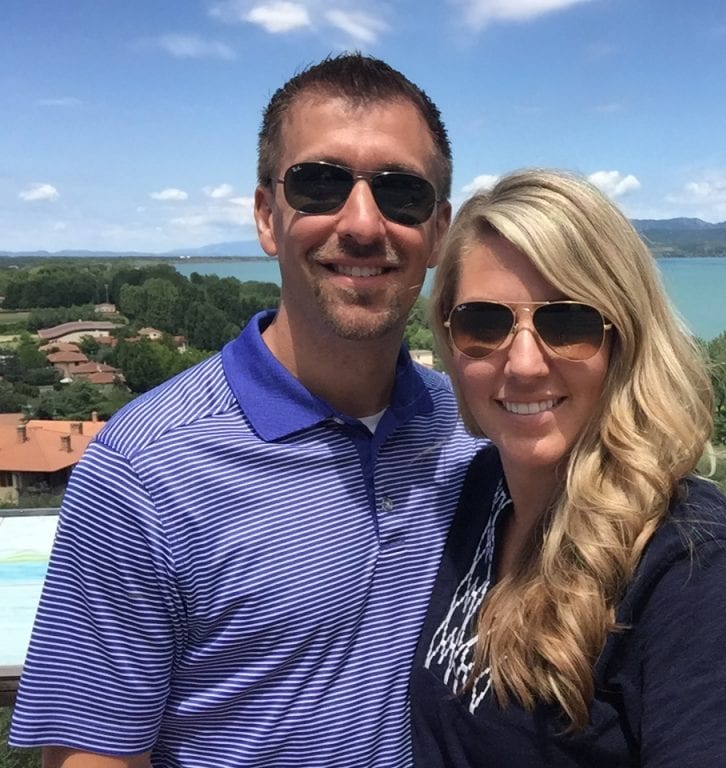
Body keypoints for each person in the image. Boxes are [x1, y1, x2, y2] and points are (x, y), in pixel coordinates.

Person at [11, 53, 482, 768]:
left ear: (438, 232)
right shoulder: (145, 472)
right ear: (267, 215)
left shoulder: (469, 434)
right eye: (320, 183)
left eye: (401, 193)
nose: (362, 223)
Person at [411, 169, 726, 767]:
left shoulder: (704, 576)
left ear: (625, 339)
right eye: (483, 324)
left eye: (567, 324)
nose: (522, 364)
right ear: (450, 338)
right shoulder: (481, 493)